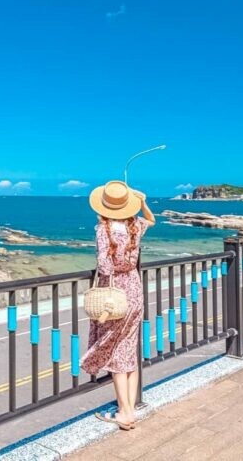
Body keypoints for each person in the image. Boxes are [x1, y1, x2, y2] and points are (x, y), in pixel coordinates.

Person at [81, 180, 156, 430]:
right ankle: (130, 409)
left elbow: (104, 265)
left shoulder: (104, 230)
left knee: (115, 351)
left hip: (115, 296)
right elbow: (151, 219)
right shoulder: (135, 226)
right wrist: (142, 202)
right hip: (134, 289)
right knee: (128, 348)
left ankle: (124, 412)